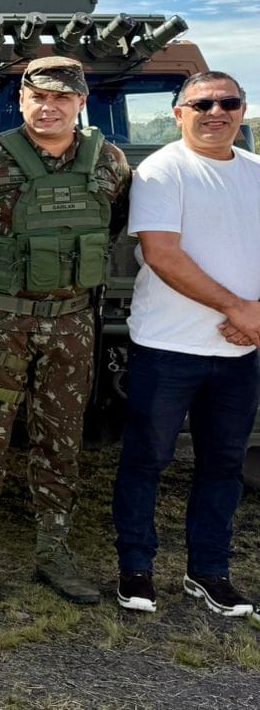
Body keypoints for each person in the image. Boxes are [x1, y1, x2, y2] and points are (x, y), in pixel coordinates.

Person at [0, 55, 130, 604]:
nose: (50, 108)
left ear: (80, 103)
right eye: (38, 97)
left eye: (62, 99)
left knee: (61, 437)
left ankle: (54, 550)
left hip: (72, 323)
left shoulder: (109, 163)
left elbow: (111, 227)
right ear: (21, 99)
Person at [113, 72, 260, 617]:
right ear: (180, 114)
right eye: (202, 103)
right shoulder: (161, 171)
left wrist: (254, 319)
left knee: (223, 465)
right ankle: (136, 570)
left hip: (240, 351)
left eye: (228, 103)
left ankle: (210, 571)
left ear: (242, 111)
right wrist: (238, 309)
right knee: (145, 461)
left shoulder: (255, 172)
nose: (215, 112)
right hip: (168, 348)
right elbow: (163, 254)